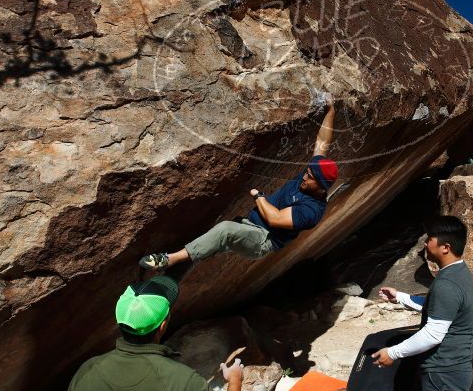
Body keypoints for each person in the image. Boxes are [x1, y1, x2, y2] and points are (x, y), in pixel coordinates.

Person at [138, 99, 338, 272]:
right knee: (210, 243)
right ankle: (175, 270)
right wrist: (331, 111)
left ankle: (168, 260)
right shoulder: (314, 173)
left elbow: (275, 219)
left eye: (309, 177)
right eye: (307, 172)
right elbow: (322, 142)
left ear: (321, 186)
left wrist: (259, 196)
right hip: (248, 223)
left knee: (225, 230)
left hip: (263, 239)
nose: (304, 176)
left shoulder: (312, 211)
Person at [60, 276, 244, 391]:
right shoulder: (179, 380)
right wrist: (235, 380)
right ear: (163, 326)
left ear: (120, 321)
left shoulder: (87, 370)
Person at [372, 216, 473, 391]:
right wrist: (400, 297)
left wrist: (393, 353)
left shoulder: (447, 284)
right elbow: (437, 308)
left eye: (429, 239)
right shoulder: (457, 274)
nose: (425, 243)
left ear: (445, 247)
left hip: (444, 376)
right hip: (442, 373)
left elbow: (433, 333)